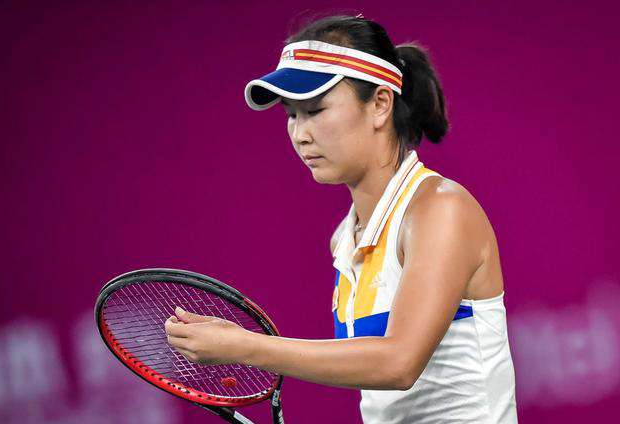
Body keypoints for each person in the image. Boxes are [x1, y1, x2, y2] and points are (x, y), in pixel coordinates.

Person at [165, 14, 518, 423]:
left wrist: (244, 347)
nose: (300, 134)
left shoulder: (440, 209)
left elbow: (398, 363)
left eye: (315, 110)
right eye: (291, 114)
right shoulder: (345, 240)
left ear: (380, 104)